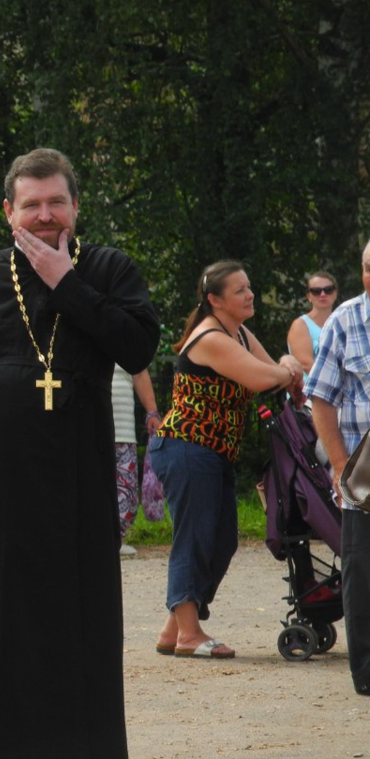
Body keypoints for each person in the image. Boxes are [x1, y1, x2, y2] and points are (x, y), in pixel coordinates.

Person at [0, 148, 159, 759]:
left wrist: (67, 283)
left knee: (72, 630)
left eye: (56, 202)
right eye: (30, 204)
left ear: (75, 206)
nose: (44, 215)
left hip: (75, 481)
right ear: (9, 212)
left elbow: (138, 347)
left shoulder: (108, 269)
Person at [149, 261, 303, 661]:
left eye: (249, 287)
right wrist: (288, 368)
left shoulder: (238, 332)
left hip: (212, 451)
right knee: (195, 538)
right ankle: (188, 634)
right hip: (186, 447)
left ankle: (173, 629)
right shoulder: (210, 337)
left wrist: (285, 367)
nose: (250, 295)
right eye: (240, 290)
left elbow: (271, 368)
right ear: (215, 300)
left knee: (223, 541)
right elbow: (264, 378)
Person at [305, 240, 370, 696]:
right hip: (365, 471)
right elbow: (321, 398)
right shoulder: (345, 320)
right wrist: (342, 465)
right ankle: (366, 671)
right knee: (363, 572)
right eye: (367, 268)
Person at [113, 365, 161, 556]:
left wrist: (152, 412)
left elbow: (140, 372)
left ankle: (117, 539)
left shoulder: (128, 348)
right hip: (89, 428)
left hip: (123, 429)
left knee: (126, 490)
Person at [287, 271, 339, 376]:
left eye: (328, 290)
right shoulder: (300, 325)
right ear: (309, 296)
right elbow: (305, 364)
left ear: (335, 294)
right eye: (316, 291)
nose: (323, 294)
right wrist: (340, 382)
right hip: (311, 385)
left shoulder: (343, 323)